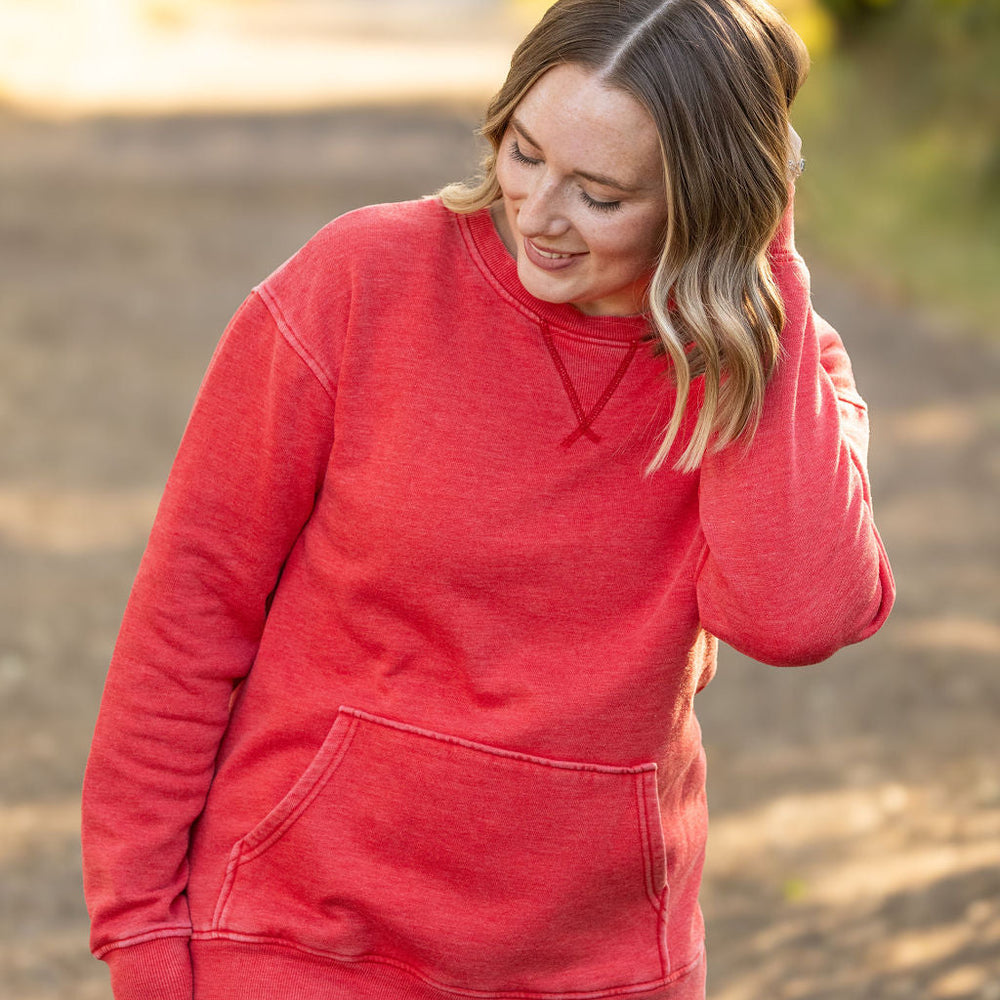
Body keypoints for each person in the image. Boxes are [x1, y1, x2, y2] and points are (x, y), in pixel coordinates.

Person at [81, 1, 895, 998]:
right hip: (295, 939)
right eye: (523, 150)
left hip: (596, 966)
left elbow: (797, 613)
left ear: (711, 202)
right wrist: (141, 932)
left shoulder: (768, 380)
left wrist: (765, 269)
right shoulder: (362, 281)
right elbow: (190, 610)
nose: (538, 212)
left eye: (599, 194)